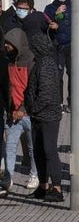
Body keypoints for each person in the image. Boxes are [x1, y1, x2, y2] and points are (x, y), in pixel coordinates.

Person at [26, 32, 64, 202]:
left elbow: (46, 95)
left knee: (49, 151)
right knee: (39, 152)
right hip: (38, 115)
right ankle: (43, 186)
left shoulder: (46, 64)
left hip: (47, 115)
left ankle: (57, 188)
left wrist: (33, 108)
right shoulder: (40, 62)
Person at [3, 27, 34, 194]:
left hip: (27, 113)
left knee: (32, 148)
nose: (6, 46)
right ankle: (8, 177)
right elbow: (9, 87)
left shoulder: (30, 61)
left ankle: (34, 175)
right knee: (10, 145)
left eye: (9, 43)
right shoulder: (9, 60)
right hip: (13, 113)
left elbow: (30, 89)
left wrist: (22, 108)